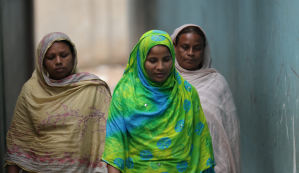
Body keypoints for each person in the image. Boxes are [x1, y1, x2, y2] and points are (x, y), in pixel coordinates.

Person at [102, 30, 215, 173]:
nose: (160, 67)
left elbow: (201, 142)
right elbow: (115, 143)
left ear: (173, 58)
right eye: (152, 61)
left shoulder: (186, 92)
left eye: (166, 59)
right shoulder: (125, 94)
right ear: (141, 59)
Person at [4, 32, 111, 173]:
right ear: (41, 61)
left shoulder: (93, 88)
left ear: (73, 56)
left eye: (64, 55)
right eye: (50, 57)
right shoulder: (30, 91)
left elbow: (110, 138)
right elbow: (18, 141)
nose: (58, 61)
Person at [171, 24, 241, 173]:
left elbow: (230, 133)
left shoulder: (217, 83)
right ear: (174, 47)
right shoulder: (164, 82)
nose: (191, 53)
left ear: (204, 50)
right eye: (185, 47)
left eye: (197, 48)